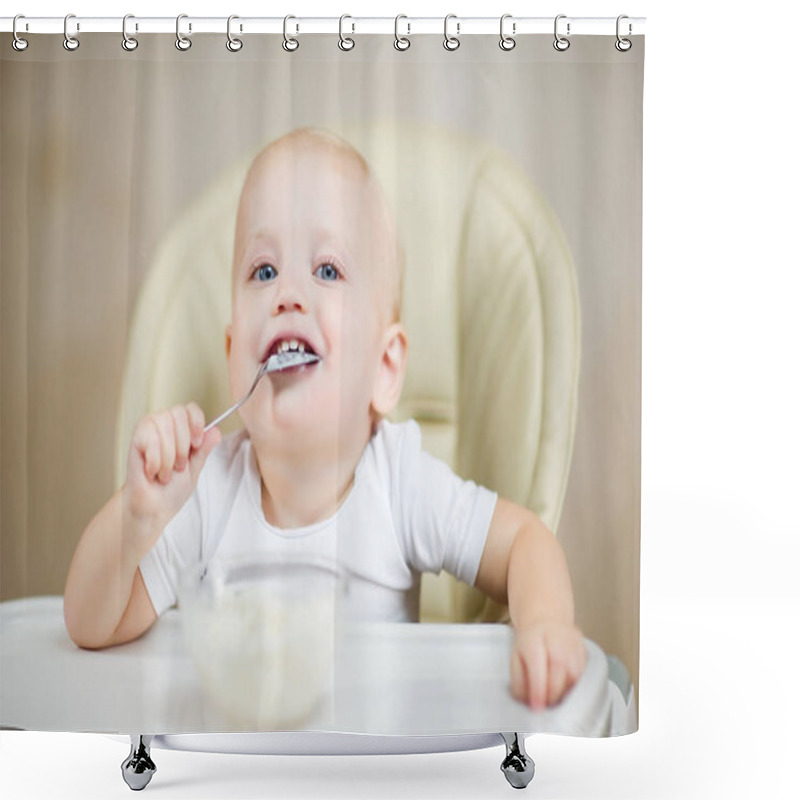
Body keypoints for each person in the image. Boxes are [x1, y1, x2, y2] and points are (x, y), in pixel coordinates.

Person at [64, 127, 586, 710]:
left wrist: (545, 625)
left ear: (385, 369)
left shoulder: (399, 481)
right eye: (264, 271)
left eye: (328, 270)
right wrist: (138, 516)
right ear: (235, 356)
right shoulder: (208, 492)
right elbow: (91, 625)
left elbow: (525, 542)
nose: (287, 292)